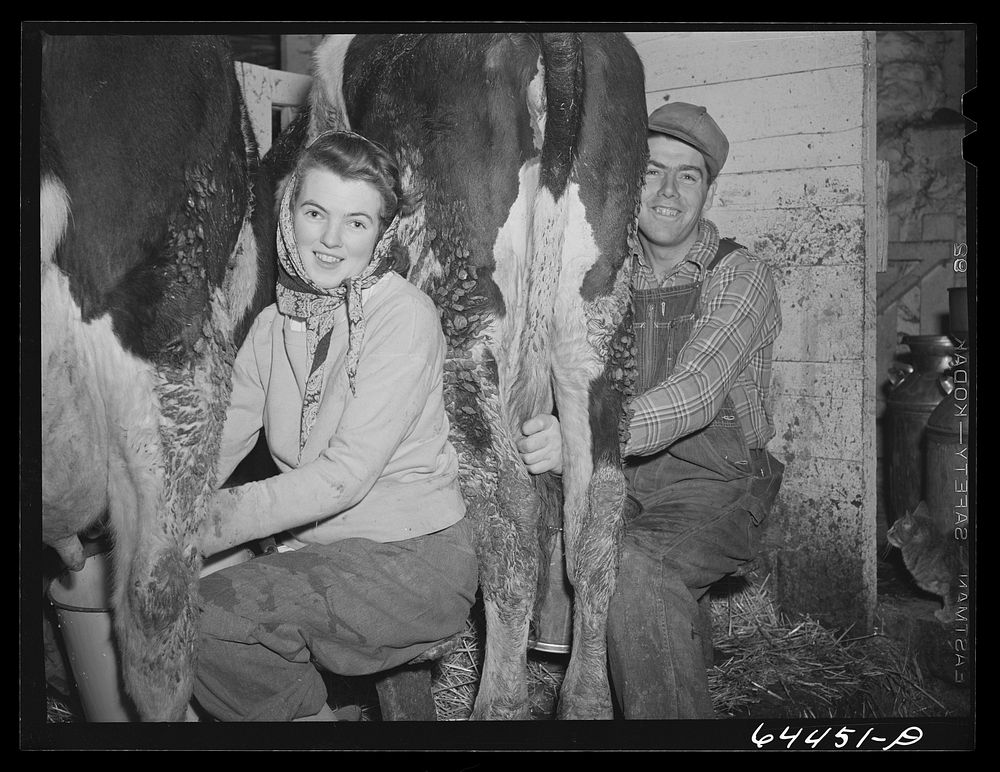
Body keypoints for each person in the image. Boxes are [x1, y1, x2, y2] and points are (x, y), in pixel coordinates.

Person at [192, 131, 478, 722]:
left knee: (206, 617)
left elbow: (343, 478)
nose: (329, 239)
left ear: (381, 235)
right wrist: (156, 507)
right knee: (175, 595)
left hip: (410, 562)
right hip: (321, 551)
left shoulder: (403, 318)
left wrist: (205, 522)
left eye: (356, 223)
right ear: (289, 213)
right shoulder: (275, 324)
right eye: (315, 213)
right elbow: (220, 442)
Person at [517, 102, 784, 719]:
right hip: (626, 477)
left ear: (708, 191)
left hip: (717, 488)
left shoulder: (741, 275)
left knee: (635, 567)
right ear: (628, 180)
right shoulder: (603, 274)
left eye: (687, 175)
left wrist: (582, 437)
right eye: (652, 171)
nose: (667, 191)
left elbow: (694, 393)